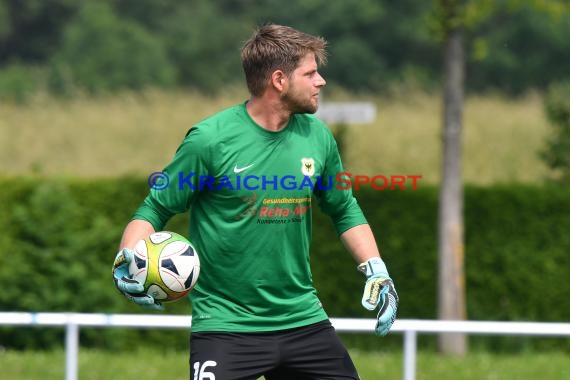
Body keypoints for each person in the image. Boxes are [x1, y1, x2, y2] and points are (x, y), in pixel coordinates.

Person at [112, 24, 398, 380]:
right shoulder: (209, 141)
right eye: (310, 73)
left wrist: (376, 269)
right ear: (279, 80)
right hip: (225, 327)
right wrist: (128, 258)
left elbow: (343, 208)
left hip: (303, 321)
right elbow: (155, 208)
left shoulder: (318, 137)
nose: (321, 81)